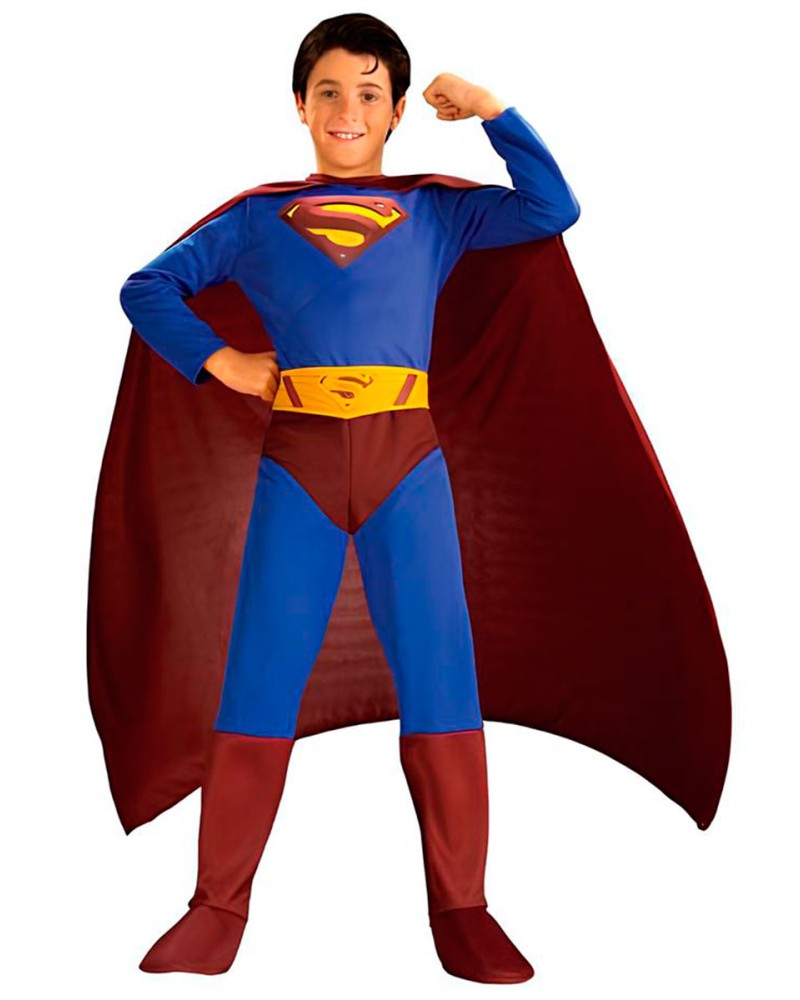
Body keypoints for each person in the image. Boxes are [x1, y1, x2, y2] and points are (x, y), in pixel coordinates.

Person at [117, 11, 579, 984]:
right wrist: (221, 361)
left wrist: (491, 110)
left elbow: (551, 207)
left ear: (398, 110)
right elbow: (147, 288)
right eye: (328, 91)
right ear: (299, 104)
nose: (347, 110)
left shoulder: (438, 212)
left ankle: (463, 908)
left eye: (370, 93)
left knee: (442, 678)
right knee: (260, 675)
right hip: (300, 464)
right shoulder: (255, 219)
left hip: (408, 464)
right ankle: (216, 907)